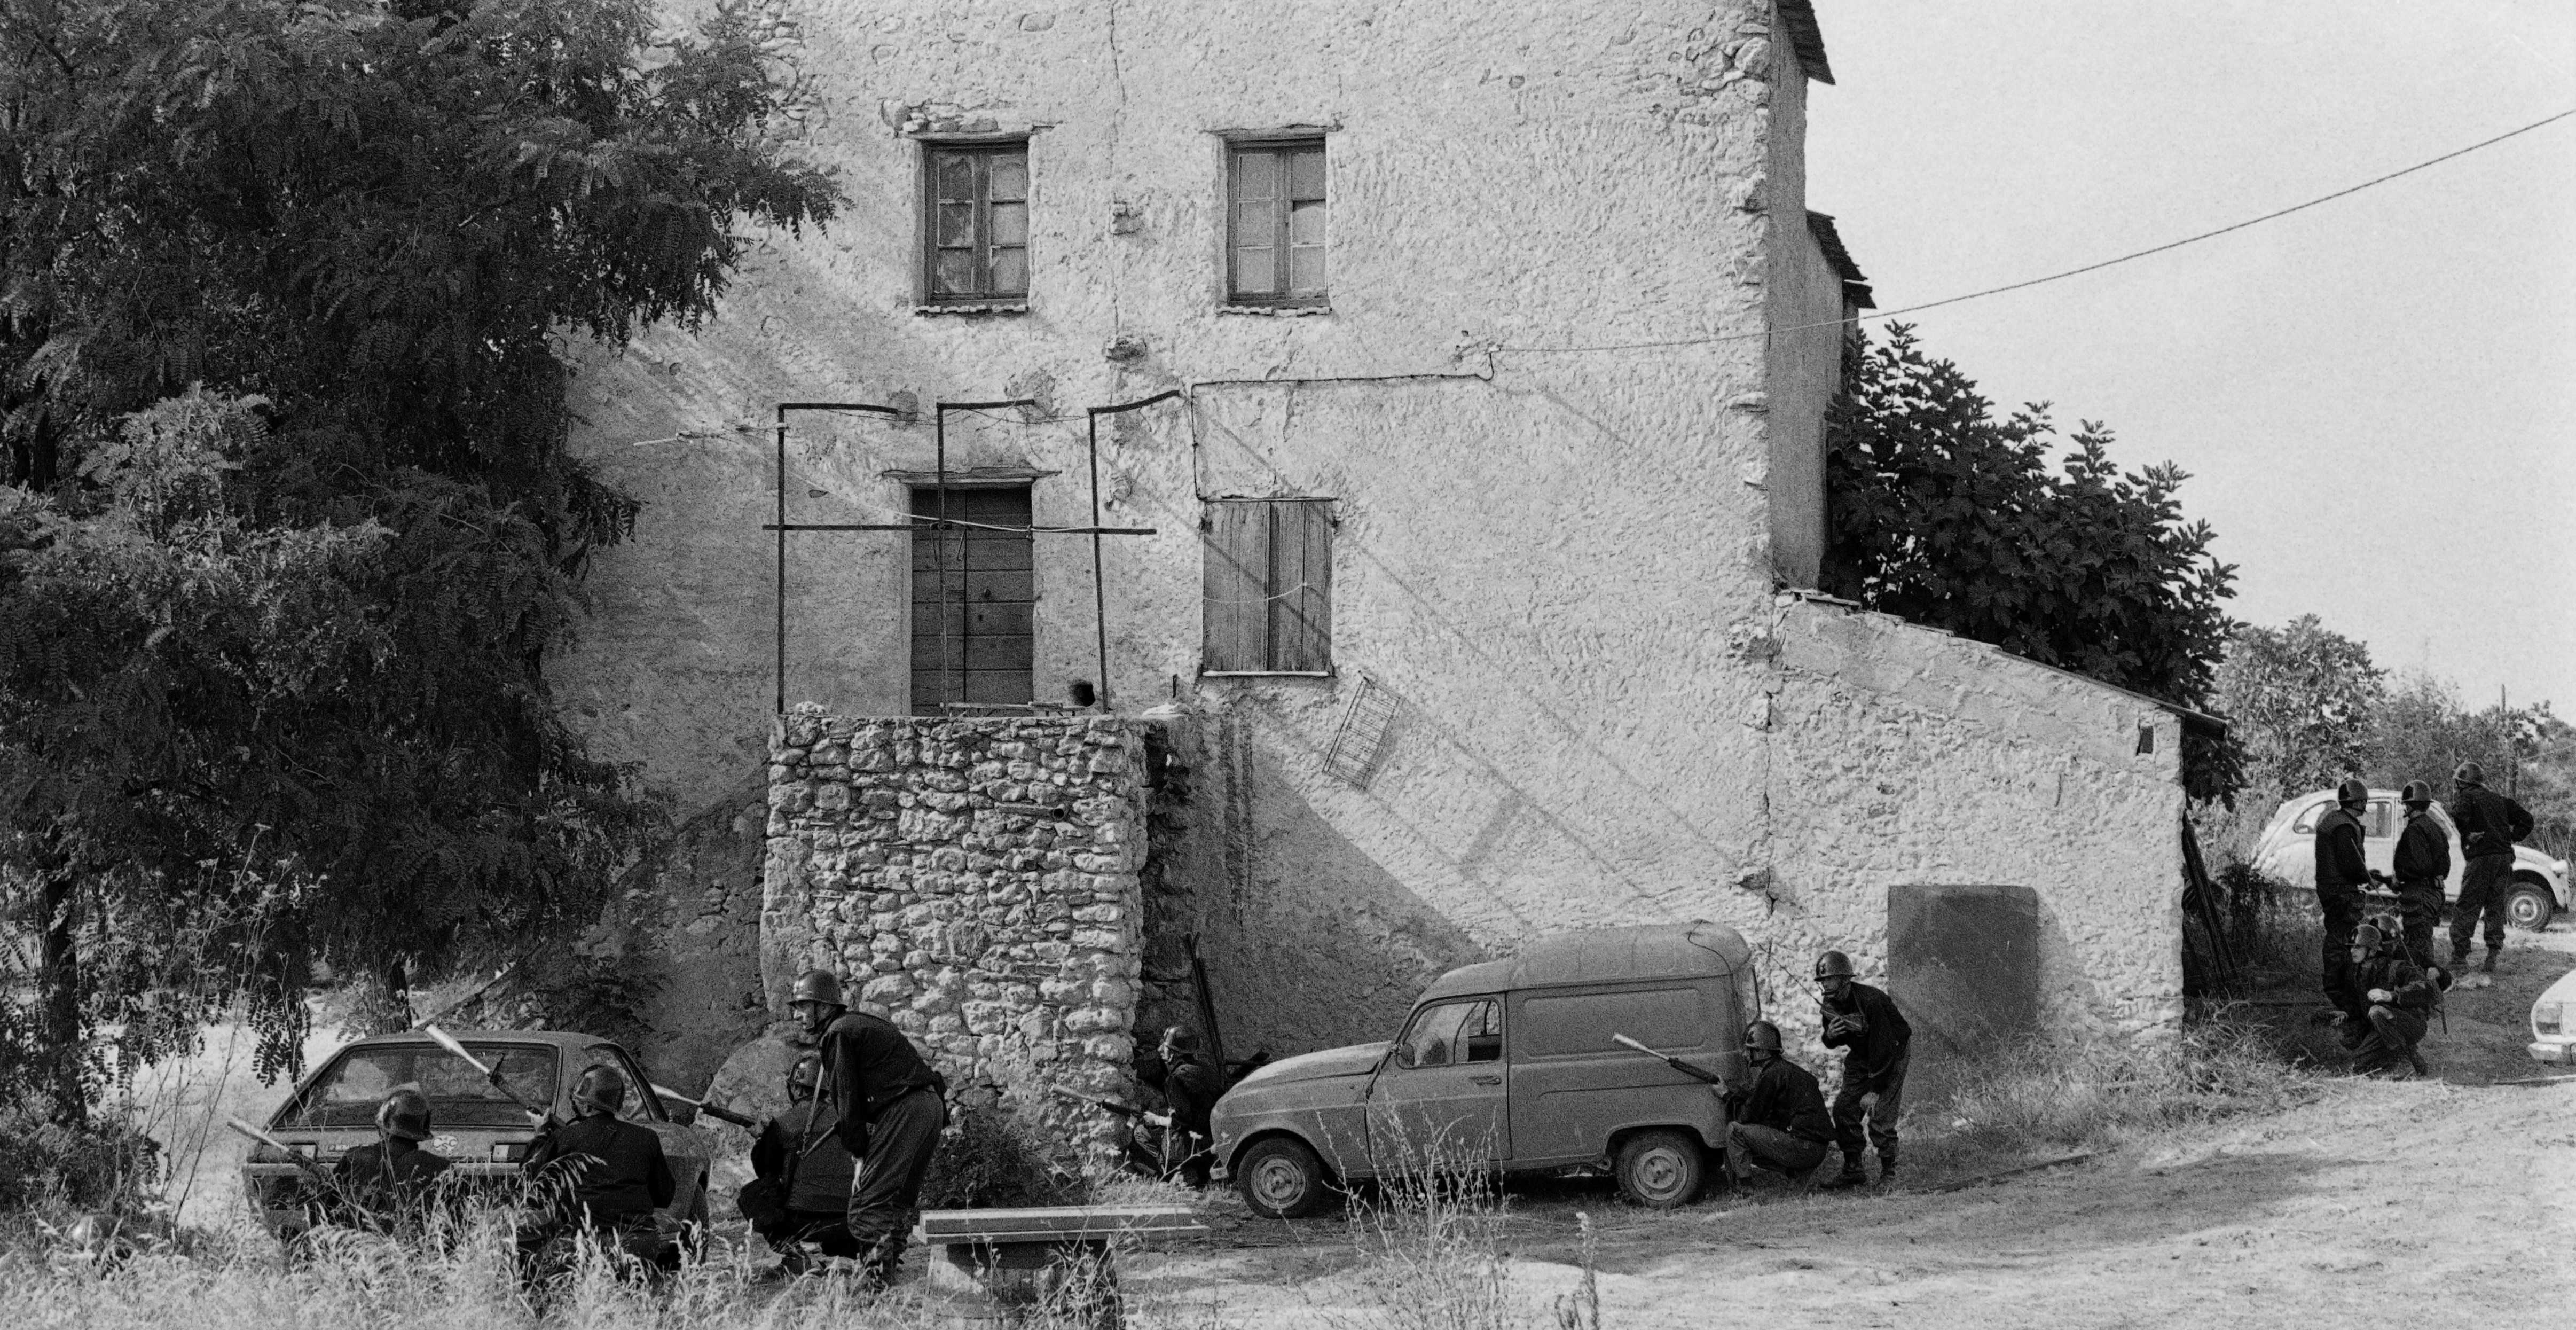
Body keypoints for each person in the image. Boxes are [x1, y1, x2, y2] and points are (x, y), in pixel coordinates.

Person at [790, 967, 949, 1289]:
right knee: (897, 1202)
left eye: (803, 1006)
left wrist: (859, 1155)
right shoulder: (856, 1025)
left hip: (905, 1109)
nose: (797, 1015)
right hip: (929, 1106)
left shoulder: (837, 1034)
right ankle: (888, 1280)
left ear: (823, 1007)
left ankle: (874, 1287)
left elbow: (847, 1102)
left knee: (866, 1205)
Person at [520, 1063, 677, 1280]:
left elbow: (531, 1179)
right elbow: (665, 1196)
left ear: (585, 1107)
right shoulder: (647, 1138)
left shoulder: (566, 1138)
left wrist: (541, 1135)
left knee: (534, 1270)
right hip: (640, 1244)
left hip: (589, 1244)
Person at [745, 1051, 863, 1274]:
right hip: (849, 1220)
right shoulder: (849, 1119)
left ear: (797, 1088)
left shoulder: (783, 1124)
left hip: (801, 1219)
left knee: (752, 1196)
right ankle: (853, 1259)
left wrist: (763, 1140)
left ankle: (793, 1255)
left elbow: (765, 1171)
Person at [1814, 950, 1910, 1190]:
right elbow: (1831, 1040)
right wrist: (1830, 1036)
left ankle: (1889, 1173)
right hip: (1863, 1053)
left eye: (1830, 979)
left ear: (1845, 979)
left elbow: (1885, 1048)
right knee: (1844, 1109)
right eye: (1823, 980)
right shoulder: (1830, 1005)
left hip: (1892, 1052)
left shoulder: (1871, 1001)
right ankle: (1853, 1170)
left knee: (1880, 1114)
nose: (1825, 984)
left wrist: (1874, 1090)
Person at [2446, 761, 2535, 976]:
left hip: (2482, 859)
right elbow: (2527, 820)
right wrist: (2511, 838)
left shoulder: (2466, 797)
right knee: (2495, 905)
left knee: (2469, 904)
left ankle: (2459, 958)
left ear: (2462, 783)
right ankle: (2492, 956)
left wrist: (2467, 834)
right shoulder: (2500, 800)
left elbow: (2459, 814)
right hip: (2504, 859)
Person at [329, 1085, 453, 1234]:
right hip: (421, 1252)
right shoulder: (442, 1169)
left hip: (360, 1251)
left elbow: (326, 1208)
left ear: (382, 1129)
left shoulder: (354, 1158)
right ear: (422, 1133)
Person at [1724, 1020, 1832, 1186]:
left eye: (1749, 1050)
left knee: (1736, 1131)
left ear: (1761, 1052)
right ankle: (1794, 1172)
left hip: (1804, 1149)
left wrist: (1725, 1096)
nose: (1746, 1055)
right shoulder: (1788, 1071)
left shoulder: (1772, 1075)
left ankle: (1745, 1187)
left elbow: (1748, 1117)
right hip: (1817, 1150)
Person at [2312, 779, 2374, 1023]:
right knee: (2343, 943)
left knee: (2340, 940)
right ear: (2360, 801)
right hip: (2341, 893)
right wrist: (2366, 877)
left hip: (2332, 890)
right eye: (2364, 801)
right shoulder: (2345, 826)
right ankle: (2340, 994)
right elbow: (2352, 863)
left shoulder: (2334, 820)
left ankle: (2343, 992)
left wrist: (2369, 875)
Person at [2346, 914, 2436, 1078]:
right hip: (2382, 1026)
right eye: (2352, 947)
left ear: (2372, 951)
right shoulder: (2357, 972)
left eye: (2357, 947)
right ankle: (2399, 1055)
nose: (2352, 951)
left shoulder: (2396, 967)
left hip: (2411, 1024)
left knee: (2377, 1011)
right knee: (2356, 1066)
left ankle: (2405, 1059)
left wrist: (2392, 995)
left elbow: (2428, 989)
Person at [1145, 1025, 1220, 1188]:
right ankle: (1195, 1172)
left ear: (1173, 1053)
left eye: (1164, 1047)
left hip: (1192, 1148)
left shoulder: (1176, 1079)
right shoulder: (1210, 1071)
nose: (1160, 1050)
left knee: (1141, 1133)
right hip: (1214, 1142)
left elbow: (1182, 1121)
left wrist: (1157, 1120)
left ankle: (1177, 1172)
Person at [2391, 781, 2452, 965]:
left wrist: (2399, 875)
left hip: (2421, 895)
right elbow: (2445, 867)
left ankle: (2423, 985)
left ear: (2409, 805)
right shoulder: (2435, 827)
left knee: (2417, 946)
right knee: (2422, 942)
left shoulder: (2415, 829)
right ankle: (2425, 982)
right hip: (2435, 893)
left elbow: (2422, 866)